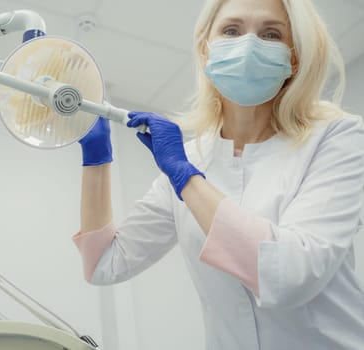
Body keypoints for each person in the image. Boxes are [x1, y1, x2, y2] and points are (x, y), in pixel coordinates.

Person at [73, 0, 364, 349]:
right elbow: (105, 264)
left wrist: (186, 178)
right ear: (205, 48)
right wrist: (96, 159)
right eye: (231, 30)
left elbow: (290, 275)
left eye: (271, 34)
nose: (248, 45)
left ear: (294, 57)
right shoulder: (194, 158)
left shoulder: (337, 138)